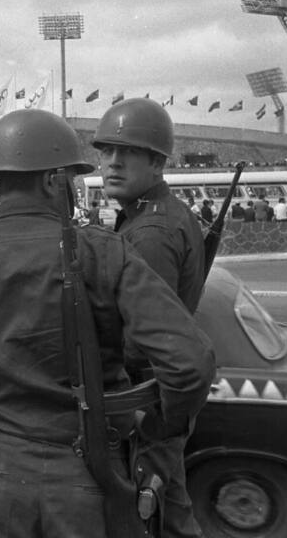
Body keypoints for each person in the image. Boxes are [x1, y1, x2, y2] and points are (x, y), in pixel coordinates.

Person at [0, 109, 215, 538]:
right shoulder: (103, 252)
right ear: (54, 181)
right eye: (74, 178)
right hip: (91, 481)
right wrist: (158, 432)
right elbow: (190, 363)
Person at [92, 97, 207, 537]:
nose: (113, 163)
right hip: (159, 397)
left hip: (144, 399)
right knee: (171, 513)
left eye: (129, 153)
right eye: (106, 151)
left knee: (146, 518)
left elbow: (142, 338)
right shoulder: (158, 216)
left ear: (157, 163)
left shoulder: (149, 232)